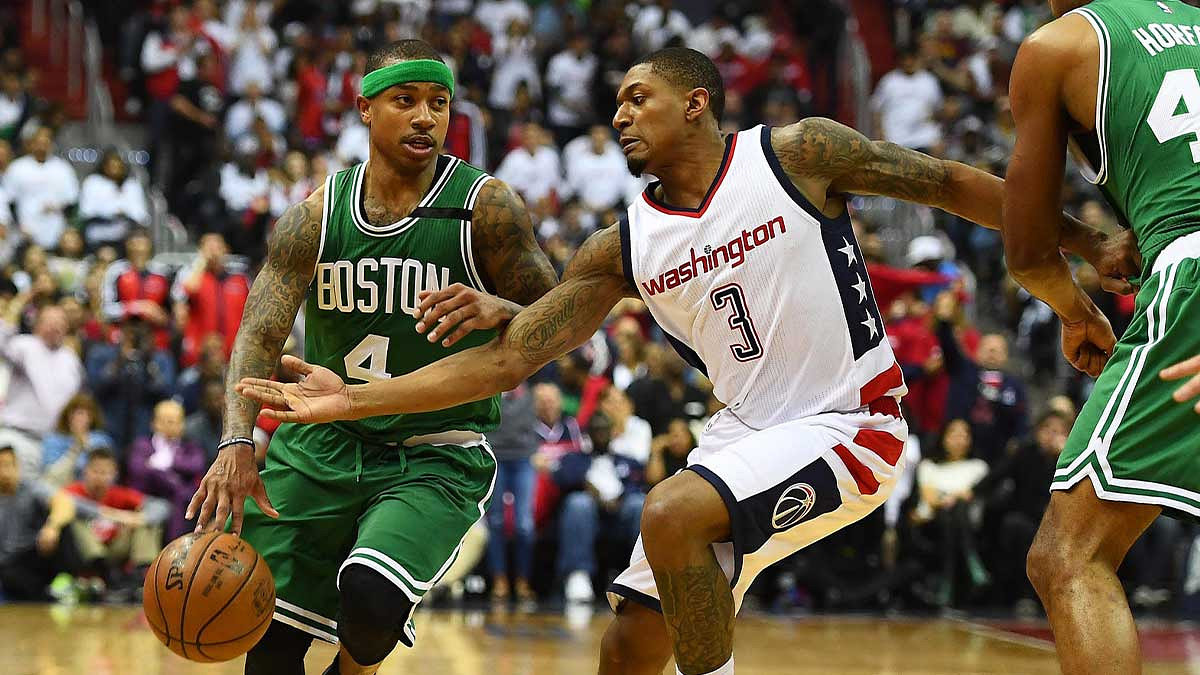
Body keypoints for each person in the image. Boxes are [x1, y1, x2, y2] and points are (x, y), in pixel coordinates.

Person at [233, 47, 1137, 675]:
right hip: (741, 437)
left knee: (670, 513)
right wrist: (353, 401)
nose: (620, 114)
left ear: (696, 102)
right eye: (616, 104)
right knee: (628, 643)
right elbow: (511, 357)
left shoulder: (797, 153)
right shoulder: (619, 246)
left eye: (638, 98)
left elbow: (945, 182)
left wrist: (1078, 245)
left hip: (851, 422)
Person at [186, 40, 557, 675]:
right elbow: (258, 332)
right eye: (405, 101)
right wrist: (235, 444)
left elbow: (563, 321)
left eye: (439, 104)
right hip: (322, 443)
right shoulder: (316, 216)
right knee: (269, 649)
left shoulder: (484, 208)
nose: (425, 117)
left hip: (432, 448)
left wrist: (508, 311)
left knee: (369, 596)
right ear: (364, 109)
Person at [999, 1, 1200, 672]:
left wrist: (1076, 309)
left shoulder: (1060, 44)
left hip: (1190, 275)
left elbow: (1026, 252)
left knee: (1069, 555)